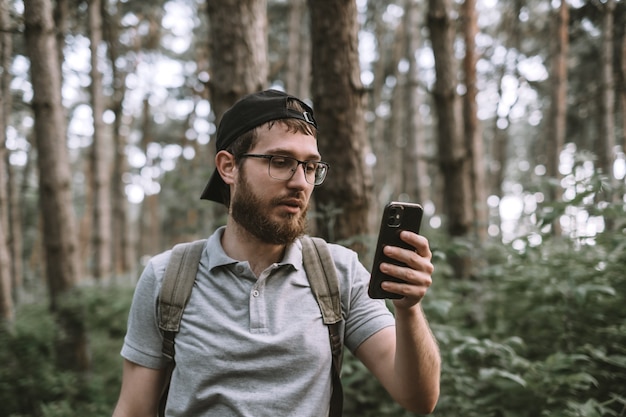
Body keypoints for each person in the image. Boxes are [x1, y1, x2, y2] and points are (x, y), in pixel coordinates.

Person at [112, 89, 440, 417]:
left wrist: (408, 310)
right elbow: (133, 409)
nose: (300, 182)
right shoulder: (168, 277)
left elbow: (418, 398)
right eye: (280, 162)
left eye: (310, 167)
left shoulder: (338, 272)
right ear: (229, 167)